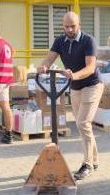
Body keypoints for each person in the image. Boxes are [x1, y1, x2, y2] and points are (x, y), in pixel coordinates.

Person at [39, 12, 104, 181]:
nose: (69, 29)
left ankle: (87, 163)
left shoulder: (88, 41)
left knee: (83, 123)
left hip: (92, 84)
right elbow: (49, 58)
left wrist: (74, 75)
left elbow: (90, 67)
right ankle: (95, 159)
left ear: (79, 25)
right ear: (63, 26)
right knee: (82, 124)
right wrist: (44, 67)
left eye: (73, 26)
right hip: (75, 87)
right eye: (66, 26)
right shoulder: (60, 41)